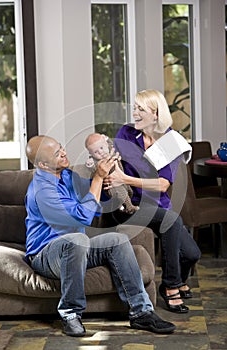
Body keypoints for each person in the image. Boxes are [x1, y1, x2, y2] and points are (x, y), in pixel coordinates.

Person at [24, 135, 176, 337]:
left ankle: (142, 313)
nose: (64, 152)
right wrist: (97, 178)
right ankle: (71, 314)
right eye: (56, 153)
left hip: (78, 249)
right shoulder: (42, 191)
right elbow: (82, 216)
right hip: (45, 255)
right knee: (77, 239)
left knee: (117, 239)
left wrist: (106, 178)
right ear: (43, 164)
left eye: (61, 147)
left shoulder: (66, 176)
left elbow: (95, 195)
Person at [104, 89, 201, 314]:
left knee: (192, 254)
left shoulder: (168, 141)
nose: (135, 113)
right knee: (172, 221)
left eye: (141, 109)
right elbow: (112, 163)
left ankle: (174, 281)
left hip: (157, 205)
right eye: (134, 108)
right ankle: (171, 286)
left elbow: (162, 185)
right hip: (129, 205)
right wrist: (113, 174)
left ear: (156, 114)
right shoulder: (126, 133)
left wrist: (125, 177)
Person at [85, 132, 139, 214]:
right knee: (121, 193)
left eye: (101, 148)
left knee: (129, 191)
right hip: (111, 184)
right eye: (96, 152)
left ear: (106, 144)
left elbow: (110, 143)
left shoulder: (110, 150)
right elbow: (94, 171)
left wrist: (106, 138)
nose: (101, 152)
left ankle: (122, 206)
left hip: (121, 178)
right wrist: (90, 165)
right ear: (91, 154)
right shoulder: (97, 161)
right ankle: (129, 207)